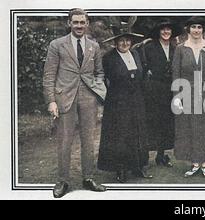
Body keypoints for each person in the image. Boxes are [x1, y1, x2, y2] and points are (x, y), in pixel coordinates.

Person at [42, 8, 107, 198]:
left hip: (88, 99)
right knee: (64, 141)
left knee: (88, 140)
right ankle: (63, 181)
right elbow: (48, 76)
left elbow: (99, 72)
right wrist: (51, 101)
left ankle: (88, 177)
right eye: (75, 22)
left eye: (82, 22)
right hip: (64, 98)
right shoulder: (57, 45)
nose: (79, 26)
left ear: (87, 24)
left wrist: (97, 92)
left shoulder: (93, 46)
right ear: (69, 23)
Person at [97, 26, 153, 183]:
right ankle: (121, 169)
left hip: (137, 101)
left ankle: (137, 166)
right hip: (118, 102)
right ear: (116, 42)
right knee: (121, 135)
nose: (125, 43)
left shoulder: (135, 53)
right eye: (121, 40)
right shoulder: (109, 57)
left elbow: (141, 75)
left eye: (127, 40)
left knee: (138, 133)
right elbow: (105, 80)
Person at [172, 16, 205, 179]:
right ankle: (194, 163)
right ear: (188, 29)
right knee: (190, 128)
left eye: (199, 27)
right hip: (187, 94)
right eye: (193, 27)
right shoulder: (181, 48)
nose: (196, 30)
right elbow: (176, 73)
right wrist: (177, 96)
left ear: (203, 30)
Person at [141, 19, 179, 167]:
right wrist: (148, 72)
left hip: (170, 89)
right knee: (153, 121)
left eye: (168, 30)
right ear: (159, 32)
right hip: (154, 90)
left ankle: (161, 155)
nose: (165, 32)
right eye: (163, 30)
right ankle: (146, 156)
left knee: (166, 122)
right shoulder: (149, 47)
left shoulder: (175, 48)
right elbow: (143, 66)